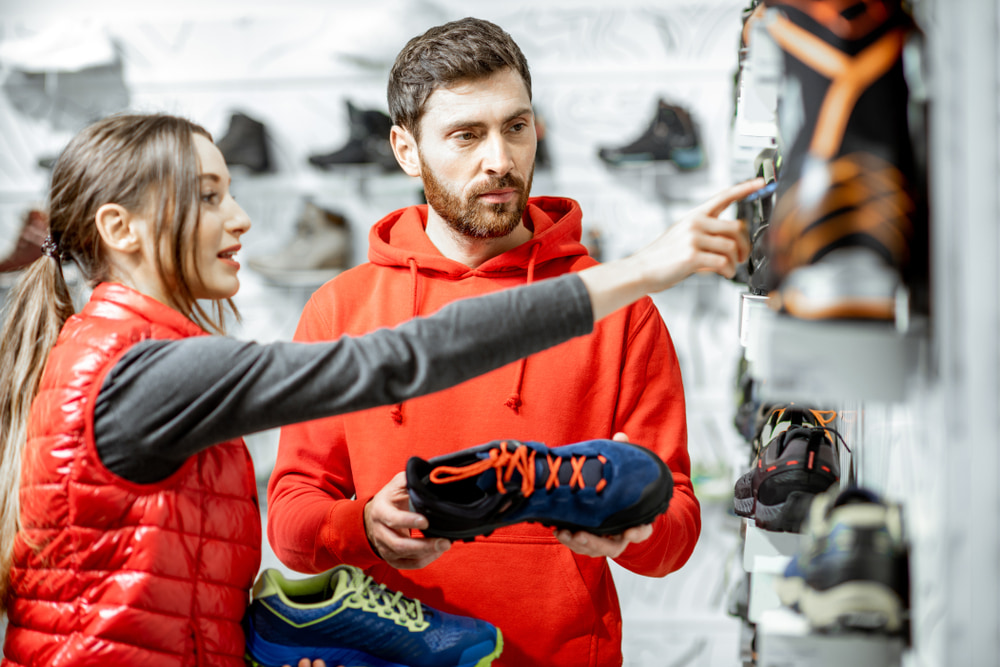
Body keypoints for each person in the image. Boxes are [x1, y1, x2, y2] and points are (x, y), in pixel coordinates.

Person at [0, 111, 753, 666]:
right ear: (120, 228)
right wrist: (639, 271)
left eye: (229, 190)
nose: (240, 217)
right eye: (205, 196)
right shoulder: (144, 371)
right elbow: (395, 360)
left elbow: (157, 580)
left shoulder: (142, 355)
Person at [266, 17, 763, 667]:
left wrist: (626, 529)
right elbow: (292, 521)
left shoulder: (618, 309)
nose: (499, 159)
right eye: (466, 135)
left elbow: (675, 531)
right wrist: (359, 526)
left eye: (516, 127)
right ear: (405, 149)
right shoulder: (341, 308)